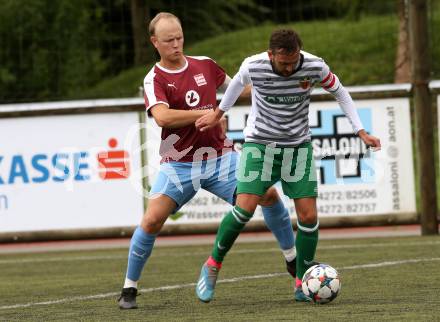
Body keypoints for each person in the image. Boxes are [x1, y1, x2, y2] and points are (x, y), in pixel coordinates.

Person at [118, 13, 298, 309]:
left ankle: (292, 261)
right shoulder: (155, 78)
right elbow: (162, 116)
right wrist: (210, 112)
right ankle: (129, 289)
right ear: (155, 42)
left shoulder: (205, 65)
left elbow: (238, 90)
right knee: (151, 221)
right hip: (179, 164)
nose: (176, 44)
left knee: (268, 194)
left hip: (221, 158)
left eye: (179, 37)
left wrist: (279, 83)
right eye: (168, 40)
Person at [195, 28, 381, 303]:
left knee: (308, 217)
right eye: (283, 63)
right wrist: (219, 113)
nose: (289, 68)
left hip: (298, 147)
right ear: (271, 55)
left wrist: (360, 130)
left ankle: (301, 281)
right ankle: (212, 265)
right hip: (259, 145)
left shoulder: (314, 66)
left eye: (293, 62)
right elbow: (236, 85)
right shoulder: (253, 66)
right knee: (244, 209)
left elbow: (340, 92)